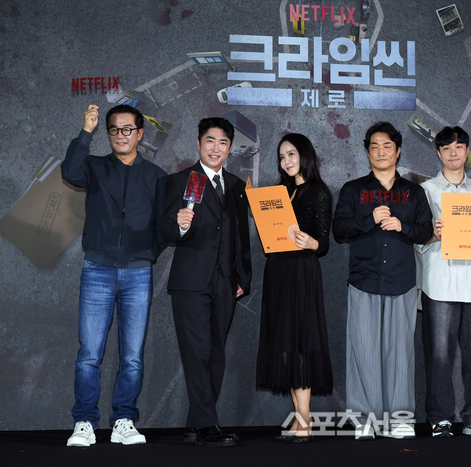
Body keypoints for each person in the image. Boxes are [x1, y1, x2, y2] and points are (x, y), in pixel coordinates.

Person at [62, 104, 167, 447]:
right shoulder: (94, 166)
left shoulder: (156, 176)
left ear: (140, 134)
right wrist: (86, 131)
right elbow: (69, 171)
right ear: (107, 133)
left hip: (138, 273)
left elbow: (163, 226)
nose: (120, 135)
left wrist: (146, 254)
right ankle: (84, 422)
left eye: (127, 129)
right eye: (114, 129)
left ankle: (124, 419)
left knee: (132, 356)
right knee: (89, 354)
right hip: (98, 270)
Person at [333, 122, 433, 440]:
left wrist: (402, 226)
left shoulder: (414, 192)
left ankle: (400, 420)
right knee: (363, 351)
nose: (381, 151)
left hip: (402, 282)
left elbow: (426, 231)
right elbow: (339, 230)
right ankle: (364, 419)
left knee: (400, 354)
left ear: (398, 150)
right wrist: (369, 219)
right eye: (374, 146)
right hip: (363, 280)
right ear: (367, 152)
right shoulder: (353, 190)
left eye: (387, 145)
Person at [162, 117, 252, 447]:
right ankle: (207, 426)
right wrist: (180, 225)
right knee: (197, 352)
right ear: (198, 144)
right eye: (210, 141)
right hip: (190, 281)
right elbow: (166, 230)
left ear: (230, 148)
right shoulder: (179, 181)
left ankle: (196, 422)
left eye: (223, 142)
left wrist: (243, 276)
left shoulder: (237, 185)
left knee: (215, 353)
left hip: (226, 281)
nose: (216, 148)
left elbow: (241, 235)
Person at [414, 126, 471, 438]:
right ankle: (440, 417)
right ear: (438, 153)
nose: (453, 153)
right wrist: (431, 235)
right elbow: (415, 237)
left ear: (467, 151)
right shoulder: (425, 192)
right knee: (439, 354)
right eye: (447, 148)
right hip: (439, 280)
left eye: (459, 147)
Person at [256, 133, 334, 444]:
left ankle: (305, 419)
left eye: (291, 154)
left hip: (302, 273)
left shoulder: (319, 192)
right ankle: (300, 417)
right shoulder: (279, 193)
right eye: (281, 156)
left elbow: (323, 242)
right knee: (284, 344)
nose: (286, 161)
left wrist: (312, 242)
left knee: (301, 343)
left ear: (304, 154)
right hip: (277, 271)